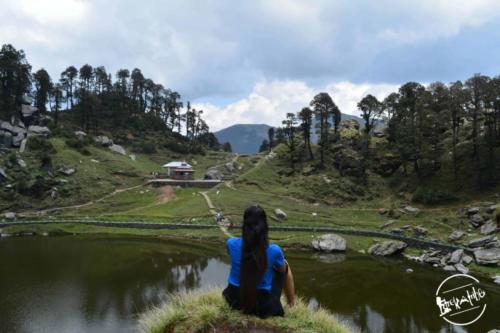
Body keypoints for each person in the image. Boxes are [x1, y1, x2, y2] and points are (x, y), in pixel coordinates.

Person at [222, 205, 295, 318]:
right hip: (262, 306)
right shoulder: (274, 250)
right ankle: (291, 305)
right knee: (285, 266)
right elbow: (281, 271)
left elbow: (233, 254)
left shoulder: (231, 243)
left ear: (244, 225)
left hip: (233, 300)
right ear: (265, 226)